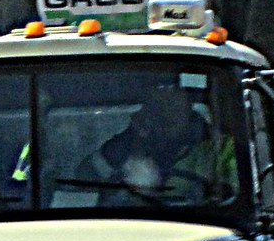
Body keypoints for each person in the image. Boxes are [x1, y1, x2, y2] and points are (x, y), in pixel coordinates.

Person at [80, 82, 237, 201]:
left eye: (173, 104)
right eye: (158, 107)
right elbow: (83, 178)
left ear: (188, 106)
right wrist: (133, 139)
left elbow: (233, 195)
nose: (167, 112)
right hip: (125, 224)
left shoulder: (219, 146)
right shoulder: (126, 143)